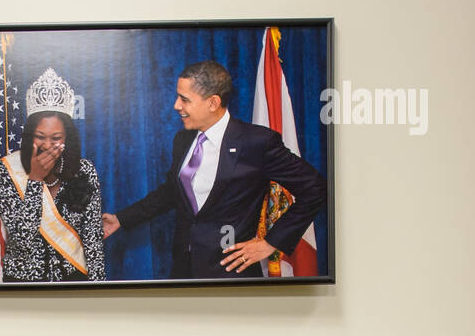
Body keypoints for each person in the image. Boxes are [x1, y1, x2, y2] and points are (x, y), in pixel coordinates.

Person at [103, 61, 327, 280]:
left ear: (213, 103)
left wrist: (271, 242)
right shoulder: (183, 139)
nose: (176, 106)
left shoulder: (256, 142)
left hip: (230, 275)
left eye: (184, 99)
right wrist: (122, 219)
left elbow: (315, 188)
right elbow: (172, 193)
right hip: (183, 271)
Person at [0, 70, 105, 283]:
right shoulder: (5, 171)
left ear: (67, 138)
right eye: (40, 137)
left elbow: (93, 241)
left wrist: (98, 289)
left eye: (56, 139)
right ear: (29, 136)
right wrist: (34, 179)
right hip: (24, 284)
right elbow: (22, 239)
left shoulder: (84, 170)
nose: (47, 145)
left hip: (74, 281)